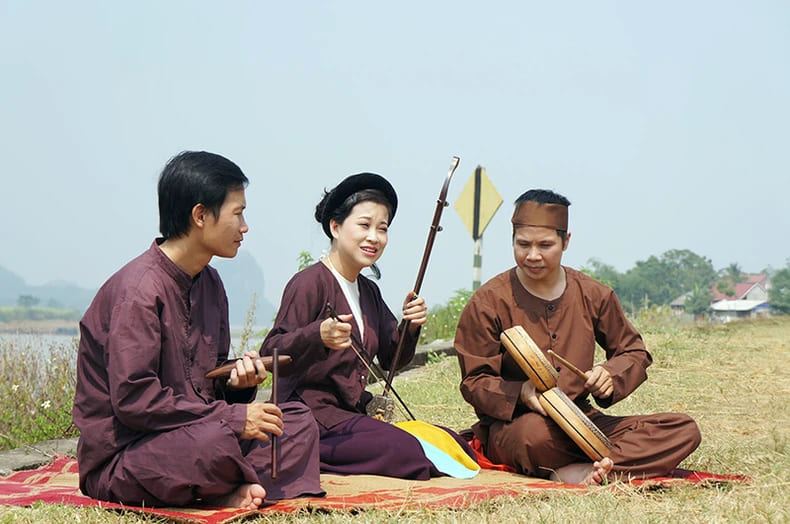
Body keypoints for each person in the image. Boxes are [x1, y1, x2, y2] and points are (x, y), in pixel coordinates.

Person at [73, 151, 323, 509]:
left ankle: (227, 486)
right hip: (132, 454)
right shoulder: (139, 291)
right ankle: (230, 485)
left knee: (295, 421)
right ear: (201, 215)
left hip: (199, 432)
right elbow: (135, 402)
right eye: (238, 213)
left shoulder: (211, 284)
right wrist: (233, 418)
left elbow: (208, 385)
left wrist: (238, 386)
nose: (245, 226)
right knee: (209, 447)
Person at [454, 189, 701, 485]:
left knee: (682, 429)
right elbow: (475, 382)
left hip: (583, 421)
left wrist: (610, 375)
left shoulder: (593, 293)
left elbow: (633, 352)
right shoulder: (489, 301)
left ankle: (590, 470)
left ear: (565, 241)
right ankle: (597, 468)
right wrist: (521, 393)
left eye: (545, 245)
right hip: (520, 424)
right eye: (523, 245)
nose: (532, 255)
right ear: (513, 241)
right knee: (533, 437)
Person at [261, 173, 473, 479]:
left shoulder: (368, 290)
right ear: (335, 227)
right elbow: (271, 352)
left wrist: (410, 327)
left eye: (382, 228)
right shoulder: (310, 283)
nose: (374, 237)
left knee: (451, 444)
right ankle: (303, 455)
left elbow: (391, 358)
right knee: (405, 451)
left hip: (351, 415)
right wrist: (316, 334)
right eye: (364, 225)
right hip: (311, 416)